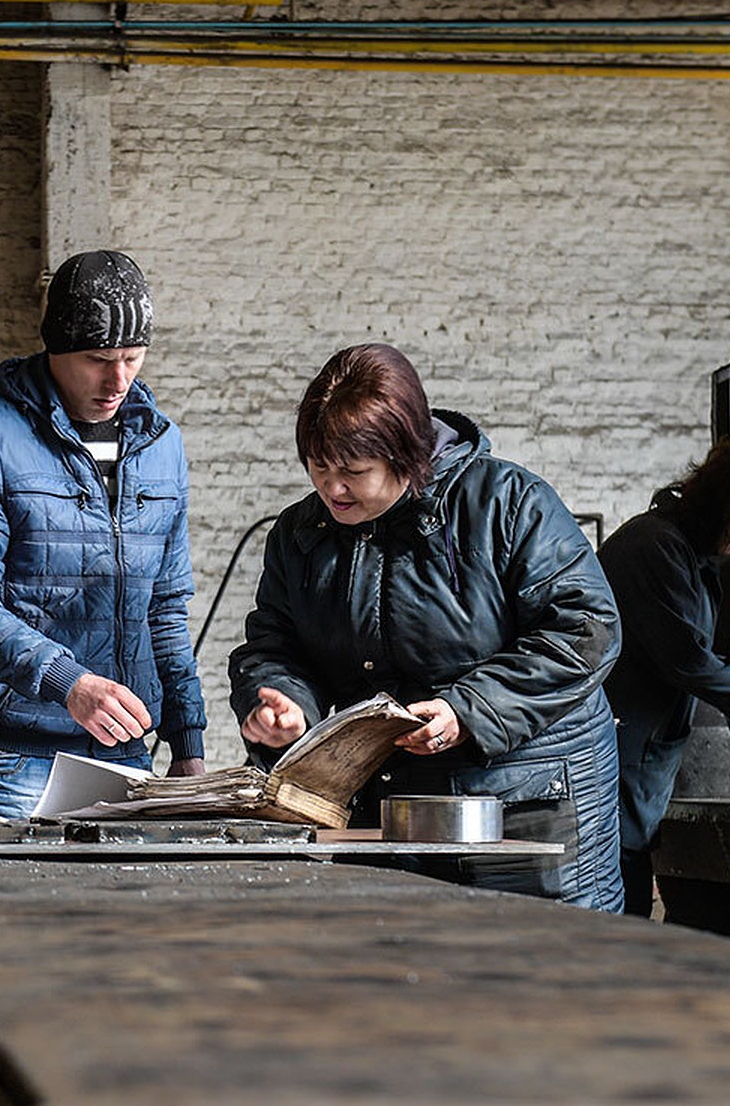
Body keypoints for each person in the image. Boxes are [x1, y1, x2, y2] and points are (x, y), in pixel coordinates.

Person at [229, 342, 625, 911]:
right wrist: (285, 707)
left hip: (529, 803)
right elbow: (274, 646)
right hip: (399, 807)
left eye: (353, 472)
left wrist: (470, 710)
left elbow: (587, 630)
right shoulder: (300, 533)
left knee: (542, 975)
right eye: (318, 467)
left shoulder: (509, 505)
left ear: (408, 456)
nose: (331, 489)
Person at [0, 250, 206, 817]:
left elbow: (165, 608)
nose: (118, 379)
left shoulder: (162, 446)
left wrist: (188, 741)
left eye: (132, 357)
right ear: (55, 348)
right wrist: (67, 683)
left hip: (128, 757)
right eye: (98, 359)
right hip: (11, 760)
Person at [597, 439, 730, 916]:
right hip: (618, 757)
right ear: (727, 509)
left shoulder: (685, 555)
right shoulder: (652, 547)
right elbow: (689, 661)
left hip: (641, 765)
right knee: (619, 901)